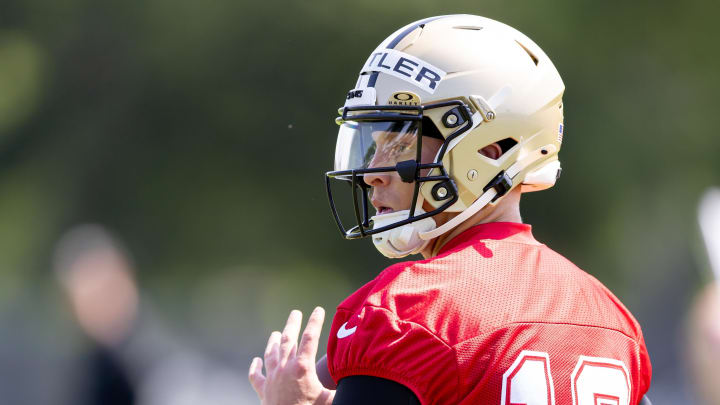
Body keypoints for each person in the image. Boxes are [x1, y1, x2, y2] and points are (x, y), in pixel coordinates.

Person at [248, 14, 652, 404]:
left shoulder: (405, 311)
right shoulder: (613, 320)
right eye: (374, 145)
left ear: (489, 152)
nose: (373, 172)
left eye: (400, 143)